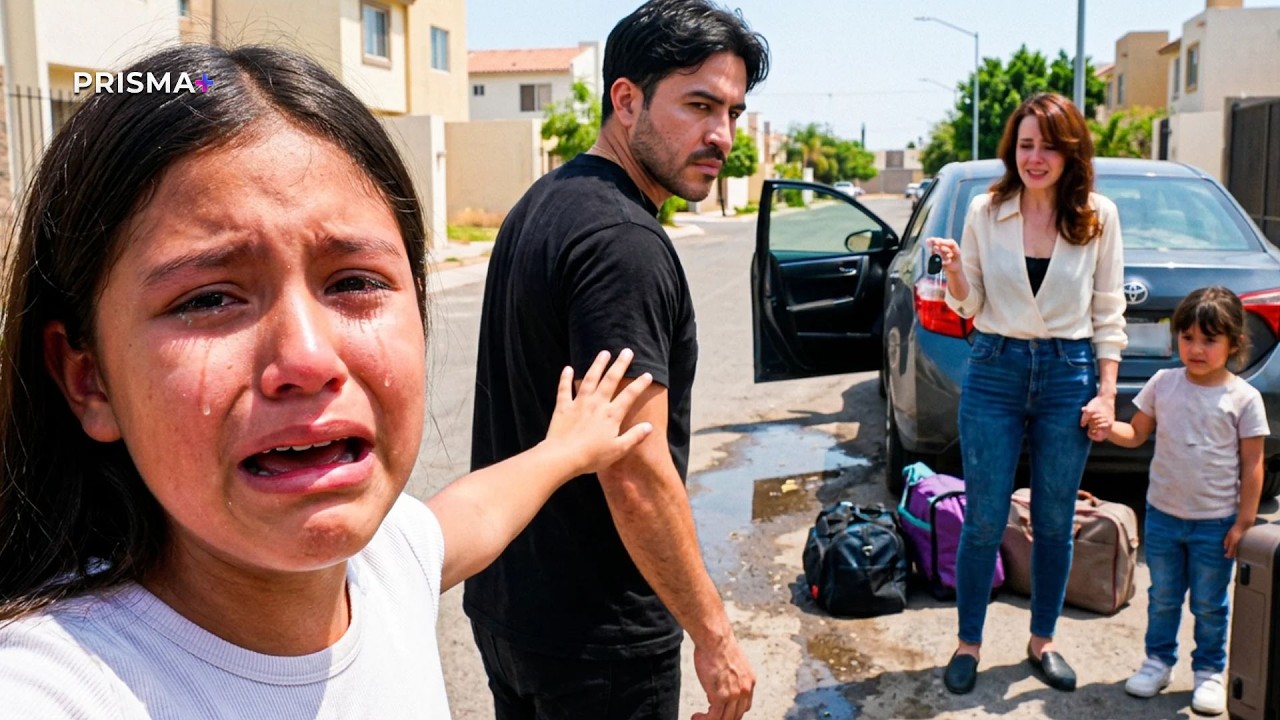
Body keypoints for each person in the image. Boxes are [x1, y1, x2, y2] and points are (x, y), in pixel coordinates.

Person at [0, 44, 656, 719]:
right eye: (209, 299)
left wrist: (570, 449)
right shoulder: (56, 690)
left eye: (353, 282)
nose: (308, 359)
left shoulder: (382, 565)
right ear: (90, 380)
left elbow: (469, 519)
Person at [465, 1, 768, 717]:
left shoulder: (545, 201)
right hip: (597, 637)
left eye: (733, 111)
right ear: (625, 100)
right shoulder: (623, 243)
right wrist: (714, 636)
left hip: (512, 608)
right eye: (699, 105)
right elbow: (633, 466)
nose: (721, 135)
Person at [927, 92, 1127, 695]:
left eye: (1048, 145)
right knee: (985, 518)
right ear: (1012, 150)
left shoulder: (1098, 215)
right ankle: (968, 642)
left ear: (1072, 151)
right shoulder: (987, 211)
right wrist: (958, 270)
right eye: (1025, 144)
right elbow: (971, 305)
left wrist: (1109, 394)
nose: (1035, 157)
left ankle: (1044, 640)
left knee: (1055, 519)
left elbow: (1108, 312)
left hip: (1069, 374)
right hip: (995, 368)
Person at [1099, 287, 1267, 716]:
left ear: (1234, 343)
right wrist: (1104, 426)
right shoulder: (1162, 384)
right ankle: (1158, 661)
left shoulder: (1244, 398)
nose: (1196, 348)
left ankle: (1210, 672)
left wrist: (1244, 523)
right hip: (1164, 517)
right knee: (1163, 597)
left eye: (1209, 340)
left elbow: (1253, 466)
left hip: (1216, 523)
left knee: (1210, 604)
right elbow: (1135, 434)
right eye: (1187, 337)